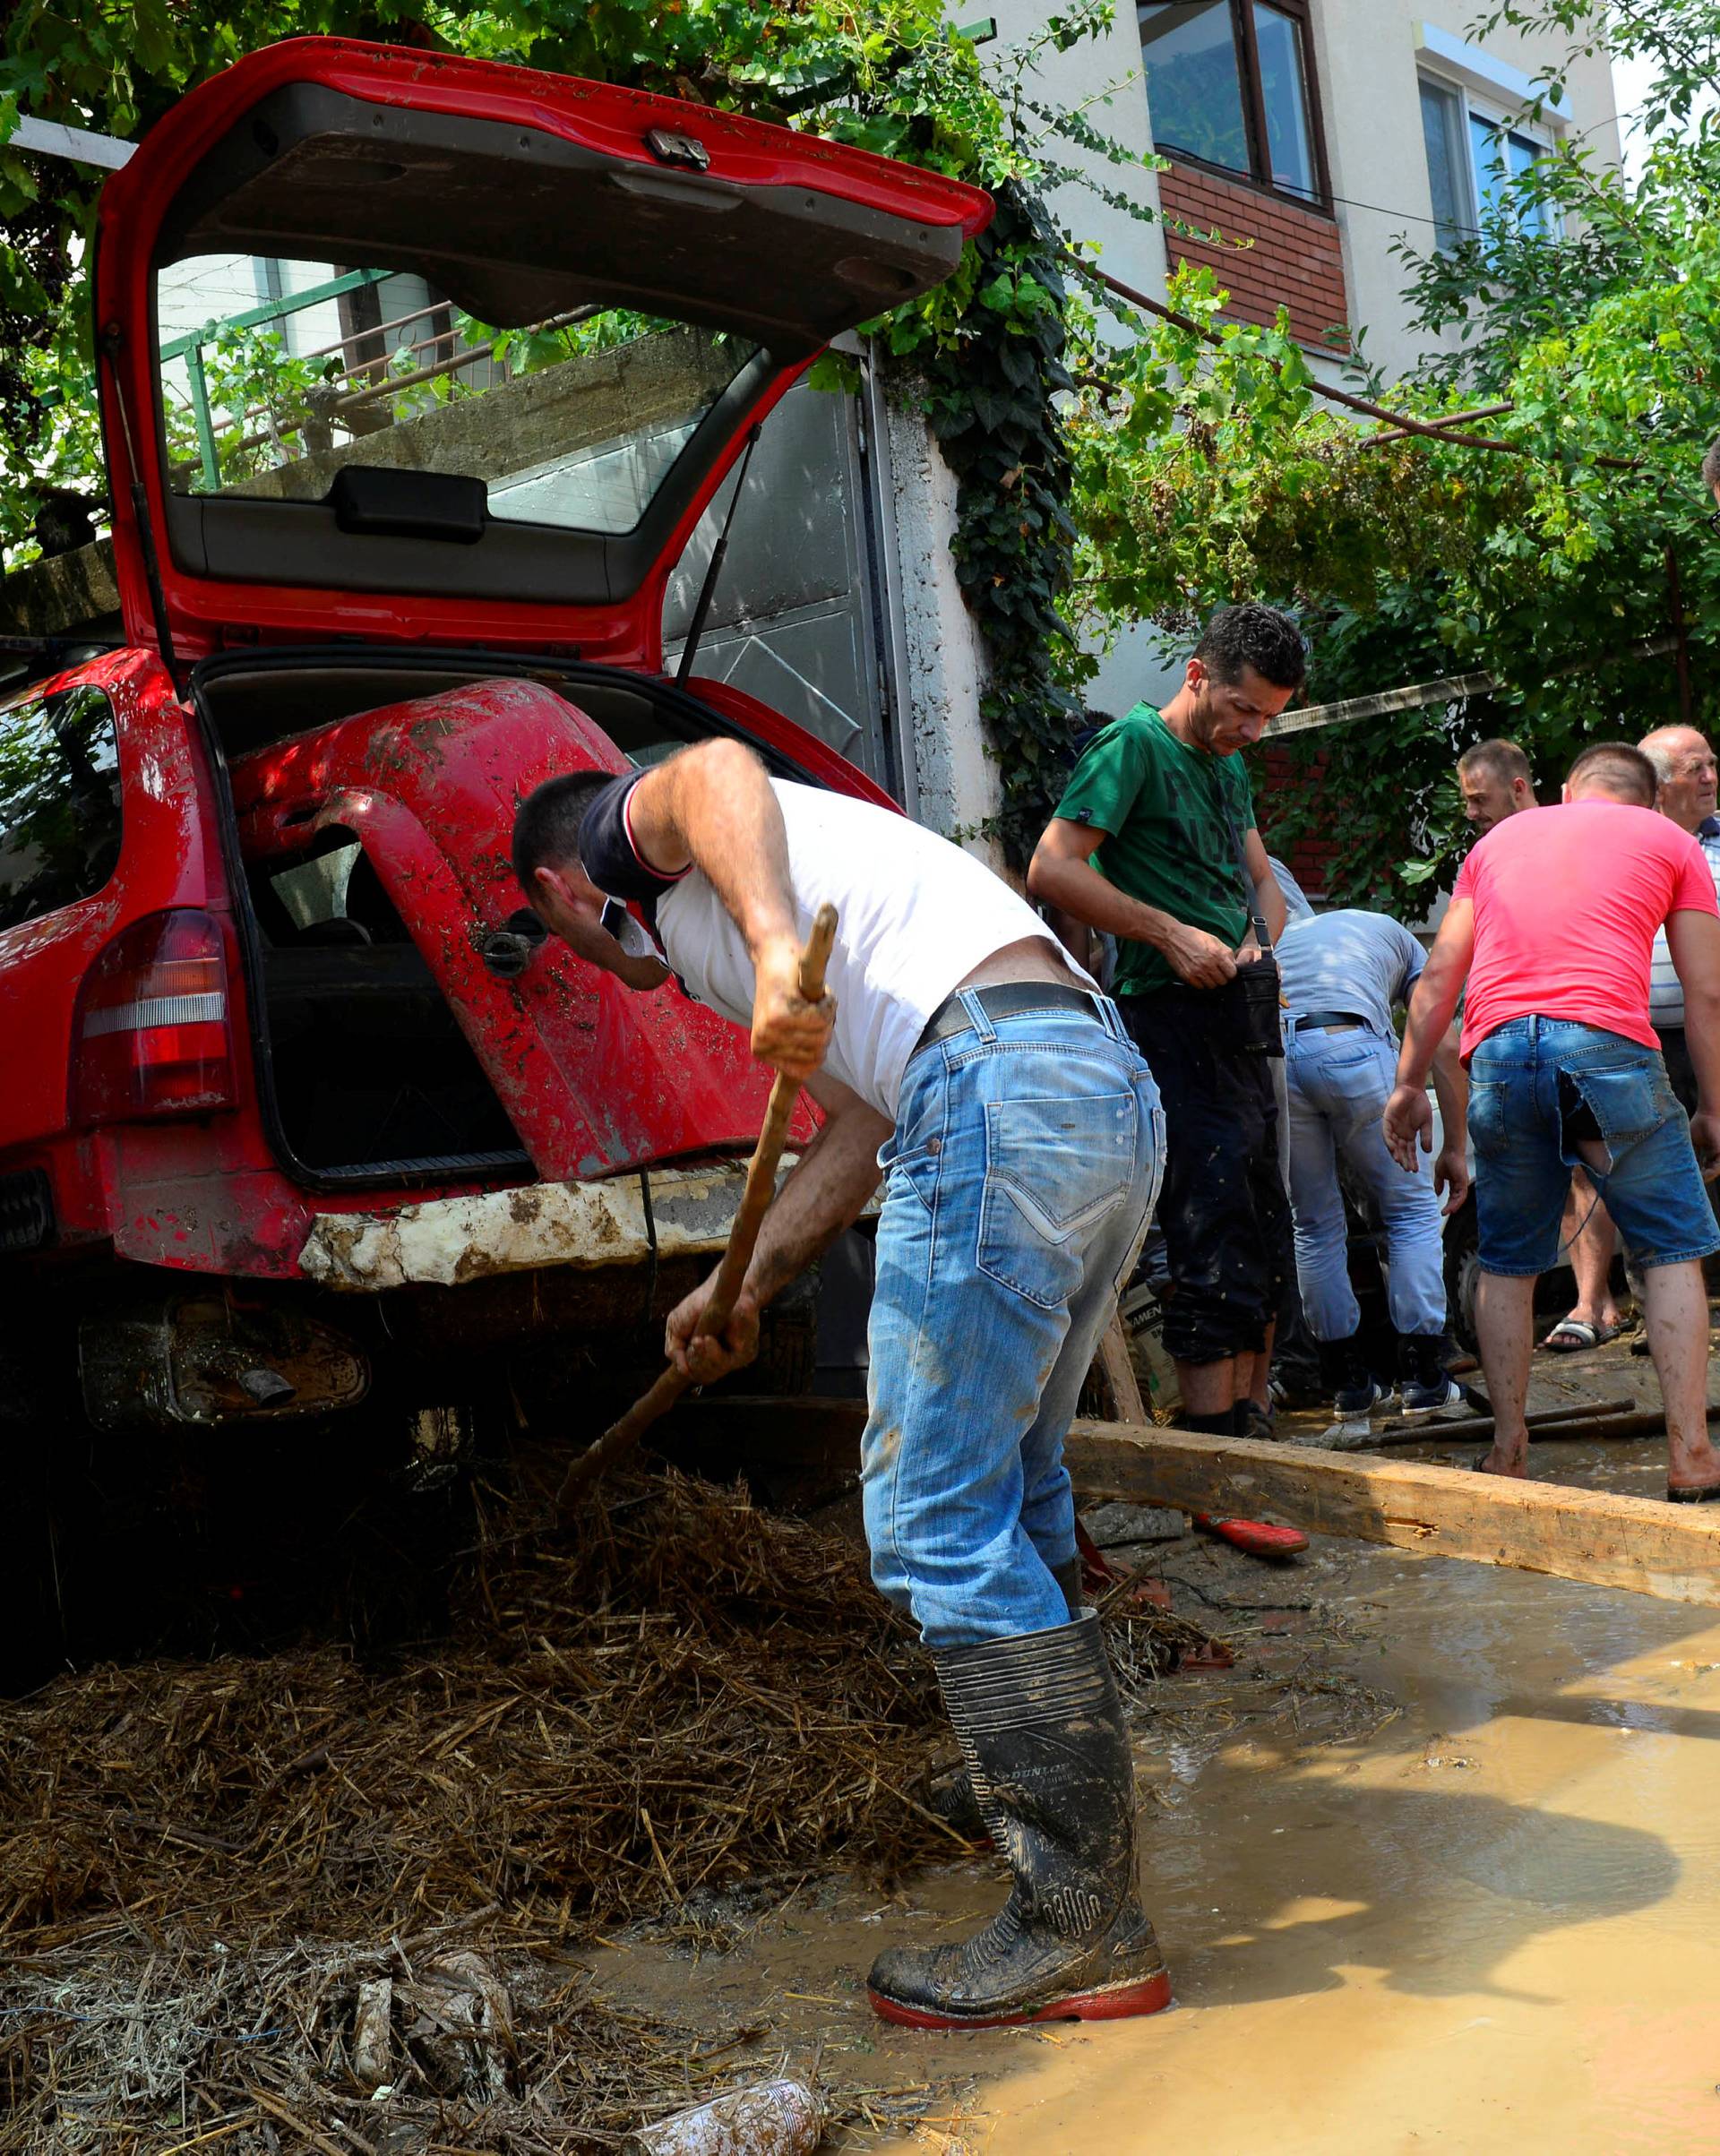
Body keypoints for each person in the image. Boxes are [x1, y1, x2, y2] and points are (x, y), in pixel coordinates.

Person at [512, 738, 1173, 2030]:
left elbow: (708, 765)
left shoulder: (622, 842)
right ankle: (1048, 1818)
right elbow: (867, 1122)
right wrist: (743, 1279)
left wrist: (765, 947)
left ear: (555, 894)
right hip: (1085, 1079)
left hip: (994, 1086)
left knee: (930, 1514)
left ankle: (1079, 1922)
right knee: (1009, 1491)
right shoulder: (837, 899)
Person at [1385, 743, 1720, 1496]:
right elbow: (1705, 993)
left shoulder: (1498, 841)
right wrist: (1714, 1107)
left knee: (1508, 1257)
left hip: (1500, 1052)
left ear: (1567, 791)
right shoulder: (1672, 840)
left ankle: (1508, 1449)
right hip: (1609, 1045)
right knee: (1670, 1248)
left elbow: (1440, 974)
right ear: (1651, 798)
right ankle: (1692, 1456)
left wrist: (1409, 1083)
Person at [1028, 603, 1298, 1445]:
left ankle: (1254, 1423)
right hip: (1168, 1014)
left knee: (1264, 1218)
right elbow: (1051, 866)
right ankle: (1214, 1449)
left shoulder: (1228, 765)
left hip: (1237, 1016)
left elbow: (1266, 884)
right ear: (1196, 676)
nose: (1253, 729)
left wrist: (1256, 944)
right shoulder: (1132, 747)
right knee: (1208, 1222)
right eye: (1243, 708)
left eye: (1269, 716)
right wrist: (1171, 934)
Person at [1457, 736, 1623, 1353]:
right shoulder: (1485, 858)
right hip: (1512, 1040)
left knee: (1603, 1172)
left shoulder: (1569, 840)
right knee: (1564, 1175)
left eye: (1479, 797)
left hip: (1584, 1030)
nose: (1471, 811)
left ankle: (1597, 1301)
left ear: (1519, 787)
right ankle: (1593, 1300)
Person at [1278, 907, 1469, 1417]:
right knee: (1409, 1212)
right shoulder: (1406, 944)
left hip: (1275, 1057)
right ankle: (1425, 1379)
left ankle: (1349, 1387)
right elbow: (1445, 1043)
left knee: (1313, 1225)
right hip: (1348, 1044)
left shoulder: (1291, 937)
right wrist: (1454, 1149)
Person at [1640, 726, 1720, 1137]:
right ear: (1659, 786)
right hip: (1649, 1050)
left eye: (1712, 765)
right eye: (1695, 768)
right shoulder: (1630, 849)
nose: (1710, 777)